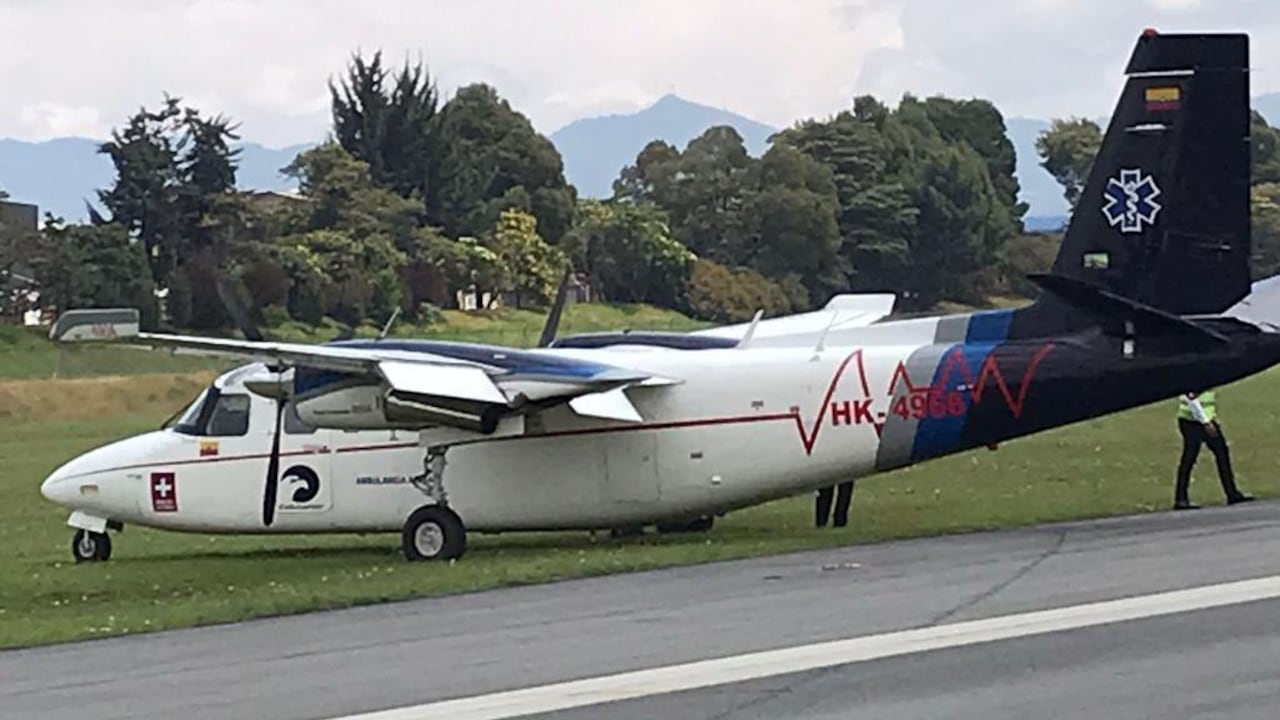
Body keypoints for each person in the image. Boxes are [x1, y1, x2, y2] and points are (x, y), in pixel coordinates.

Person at [1173, 389, 1253, 510]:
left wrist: (1211, 418)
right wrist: (1205, 422)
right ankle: (1181, 499)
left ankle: (1231, 493)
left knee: (1221, 452)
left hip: (1204, 419)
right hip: (1192, 421)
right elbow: (1191, 399)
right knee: (1190, 457)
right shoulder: (1195, 377)